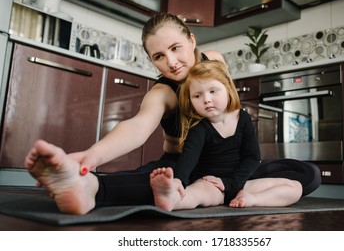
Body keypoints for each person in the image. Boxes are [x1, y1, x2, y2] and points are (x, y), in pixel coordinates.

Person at [25, 13, 321, 215]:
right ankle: (91, 187)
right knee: (160, 180)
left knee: (307, 174)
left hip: (230, 163)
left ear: (192, 40)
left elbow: (232, 110)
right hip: (187, 163)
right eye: (159, 56)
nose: (172, 62)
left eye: (176, 48)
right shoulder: (163, 93)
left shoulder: (215, 60)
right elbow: (138, 127)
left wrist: (238, 172)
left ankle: (235, 190)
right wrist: (92, 156)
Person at [150, 60, 304, 211]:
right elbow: (188, 157)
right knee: (196, 194)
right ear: (190, 100)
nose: (207, 100)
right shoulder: (199, 128)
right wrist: (178, 180)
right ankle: (171, 198)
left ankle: (251, 199)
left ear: (228, 89)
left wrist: (232, 183)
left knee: (295, 187)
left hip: (240, 183)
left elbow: (252, 157)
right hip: (212, 185)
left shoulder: (243, 118)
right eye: (197, 96)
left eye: (212, 91)